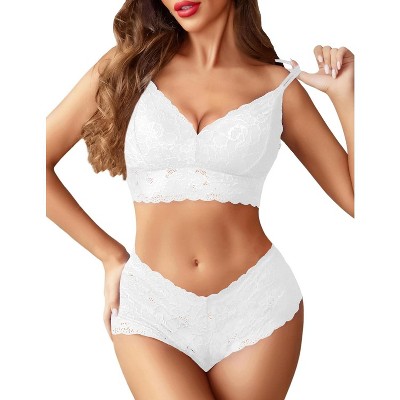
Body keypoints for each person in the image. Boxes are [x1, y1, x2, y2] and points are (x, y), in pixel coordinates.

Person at [46, 0, 354, 398]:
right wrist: (109, 255)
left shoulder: (277, 85)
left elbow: (356, 198)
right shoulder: (127, 66)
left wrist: (344, 97)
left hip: (258, 307)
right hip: (152, 307)